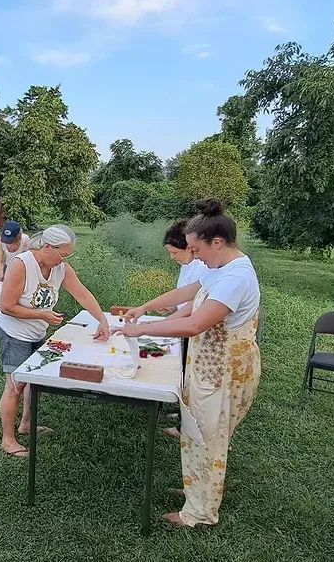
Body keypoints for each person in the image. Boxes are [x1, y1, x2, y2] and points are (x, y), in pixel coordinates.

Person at [116, 198, 261, 529]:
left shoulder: (233, 278)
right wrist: (143, 306)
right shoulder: (221, 268)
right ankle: (196, 490)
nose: (194, 258)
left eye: (197, 251)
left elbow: (196, 324)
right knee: (198, 434)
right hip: (210, 369)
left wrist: (142, 328)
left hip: (223, 374)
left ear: (217, 242)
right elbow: (189, 293)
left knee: (209, 439)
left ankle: (199, 514)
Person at [0, 225, 111, 458]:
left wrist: (102, 320)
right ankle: (7, 439)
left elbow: (83, 294)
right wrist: (42, 314)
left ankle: (26, 423)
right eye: (63, 255)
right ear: (47, 247)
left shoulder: (61, 269)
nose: (65, 260)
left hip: (38, 331)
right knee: (14, 386)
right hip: (14, 333)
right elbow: (6, 307)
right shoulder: (21, 265)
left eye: (68, 256)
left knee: (35, 380)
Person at [163, 219, 209, 313]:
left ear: (189, 248)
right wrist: (174, 307)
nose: (172, 257)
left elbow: (198, 305)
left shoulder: (202, 267)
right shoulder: (185, 265)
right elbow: (186, 300)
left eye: (174, 252)